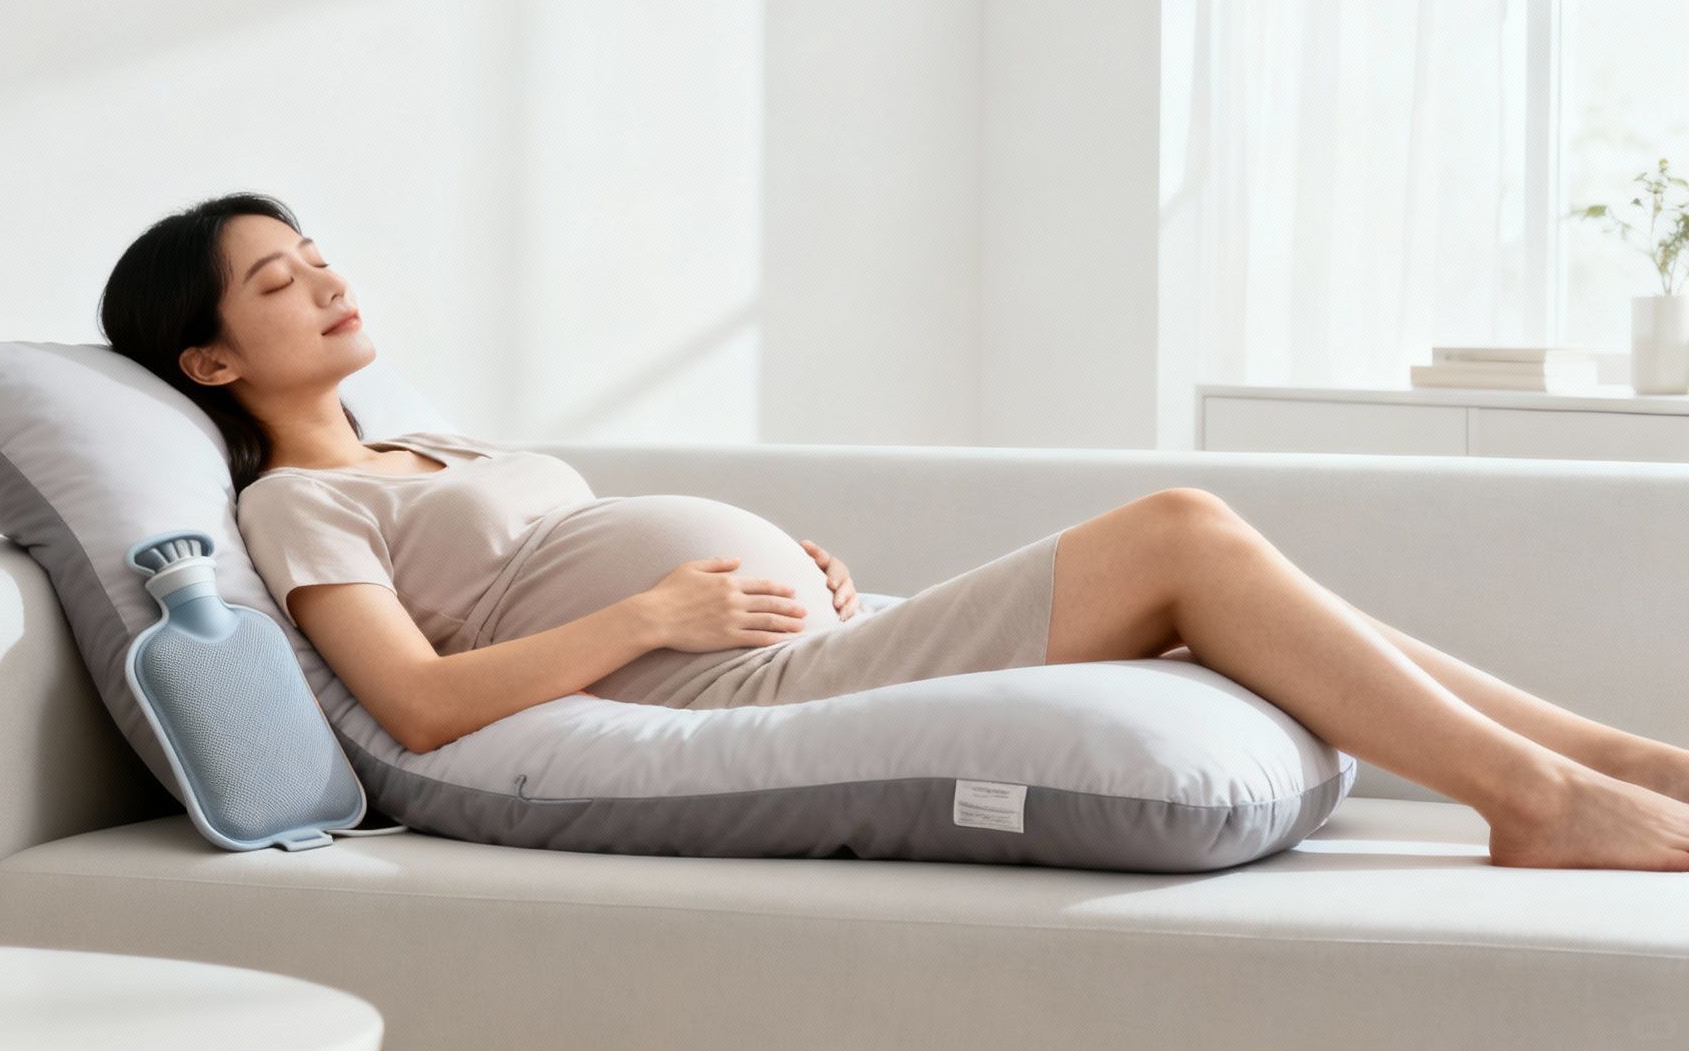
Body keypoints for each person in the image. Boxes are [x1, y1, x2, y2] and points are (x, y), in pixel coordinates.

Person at [100, 190, 1689, 874]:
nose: (324, 277)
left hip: (803, 641)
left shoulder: (429, 445)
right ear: (211, 362)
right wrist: (656, 615)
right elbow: (420, 703)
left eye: (315, 252)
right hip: (733, 691)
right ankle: (1538, 797)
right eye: (275, 281)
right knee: (1182, 533)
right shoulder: (296, 500)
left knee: (1207, 574)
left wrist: (794, 574)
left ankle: (1610, 761)